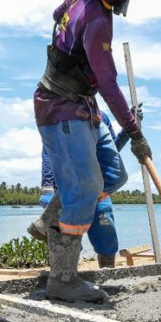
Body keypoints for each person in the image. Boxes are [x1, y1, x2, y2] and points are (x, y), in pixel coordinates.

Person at [31, 0, 152, 303]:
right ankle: (62, 278)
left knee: (112, 175)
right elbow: (109, 81)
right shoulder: (97, 16)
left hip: (80, 104)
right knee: (84, 190)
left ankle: (50, 217)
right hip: (62, 107)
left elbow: (56, 15)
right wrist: (134, 131)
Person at [37, 108, 140, 268]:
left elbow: (111, 152)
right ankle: (64, 279)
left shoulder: (100, 117)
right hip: (67, 188)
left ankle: (108, 275)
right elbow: (48, 155)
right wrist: (47, 188)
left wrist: (127, 131)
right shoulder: (57, 117)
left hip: (97, 185)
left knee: (106, 233)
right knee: (65, 237)